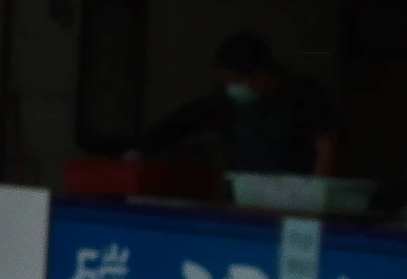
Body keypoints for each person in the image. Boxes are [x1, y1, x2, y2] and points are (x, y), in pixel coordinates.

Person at [140, 31, 338, 177]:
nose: (231, 88)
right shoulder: (226, 103)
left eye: (235, 81)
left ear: (260, 75)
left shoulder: (304, 94)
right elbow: (181, 123)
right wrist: (138, 150)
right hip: (246, 202)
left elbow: (326, 147)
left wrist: (311, 198)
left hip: (294, 201)